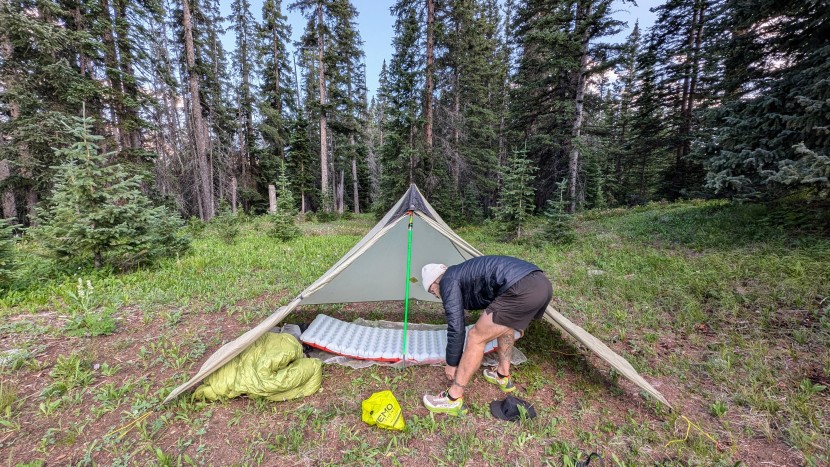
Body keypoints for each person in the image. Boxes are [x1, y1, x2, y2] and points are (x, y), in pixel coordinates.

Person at [420, 255, 553, 415]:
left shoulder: (448, 281)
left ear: (435, 282)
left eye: (431, 290)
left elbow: (456, 327)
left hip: (522, 288)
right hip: (541, 284)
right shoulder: (461, 274)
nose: (434, 295)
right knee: (505, 326)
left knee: (476, 337)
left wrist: (451, 363)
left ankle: (453, 399)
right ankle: (502, 375)